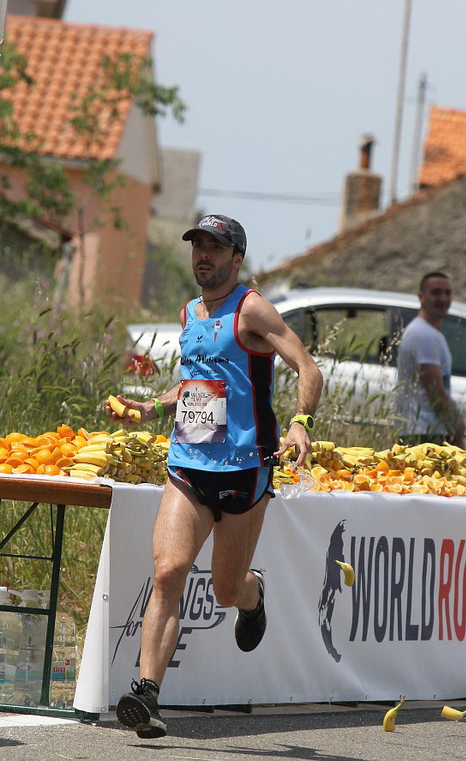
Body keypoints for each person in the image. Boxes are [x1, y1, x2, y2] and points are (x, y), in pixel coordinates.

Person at [105, 214, 323, 739]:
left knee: (226, 590)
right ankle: (147, 697)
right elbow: (193, 388)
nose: (203, 255)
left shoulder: (252, 309)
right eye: (198, 246)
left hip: (245, 472)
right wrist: (150, 410)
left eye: (215, 247)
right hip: (189, 464)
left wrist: (299, 425)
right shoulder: (189, 312)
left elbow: (308, 368)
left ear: (236, 258)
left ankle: (255, 594)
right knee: (168, 573)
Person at [393, 270, 465, 447]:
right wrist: (457, 429)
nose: (443, 298)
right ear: (421, 297)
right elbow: (435, 392)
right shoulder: (424, 334)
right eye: (436, 292)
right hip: (423, 433)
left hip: (425, 431)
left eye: (447, 293)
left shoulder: (428, 332)